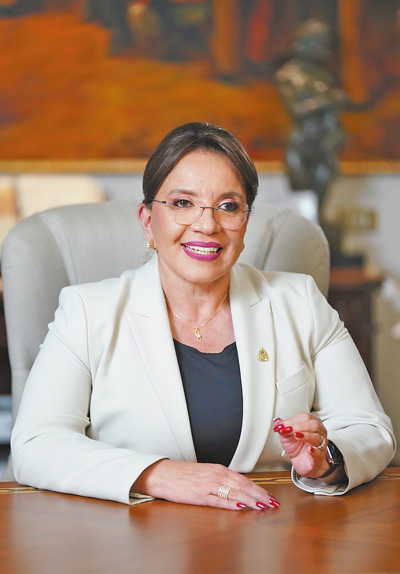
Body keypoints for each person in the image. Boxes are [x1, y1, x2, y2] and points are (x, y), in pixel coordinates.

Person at [11, 122, 395, 509]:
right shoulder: (87, 312)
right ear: (147, 220)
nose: (207, 225)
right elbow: (36, 445)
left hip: (274, 529)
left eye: (228, 206)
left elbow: (369, 428)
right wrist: (160, 475)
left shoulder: (299, 301)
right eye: (182, 203)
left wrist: (327, 460)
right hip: (135, 534)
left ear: (245, 222)